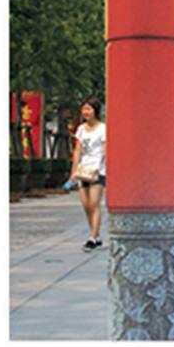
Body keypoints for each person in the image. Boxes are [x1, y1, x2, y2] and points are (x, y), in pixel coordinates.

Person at [69, 96, 106, 252]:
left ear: (96, 111)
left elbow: (105, 150)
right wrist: (73, 171)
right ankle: (96, 236)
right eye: (84, 109)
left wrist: (100, 165)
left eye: (89, 109)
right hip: (83, 170)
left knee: (94, 203)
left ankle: (92, 237)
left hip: (98, 170)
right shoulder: (81, 129)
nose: (85, 112)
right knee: (86, 205)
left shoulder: (103, 128)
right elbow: (78, 150)